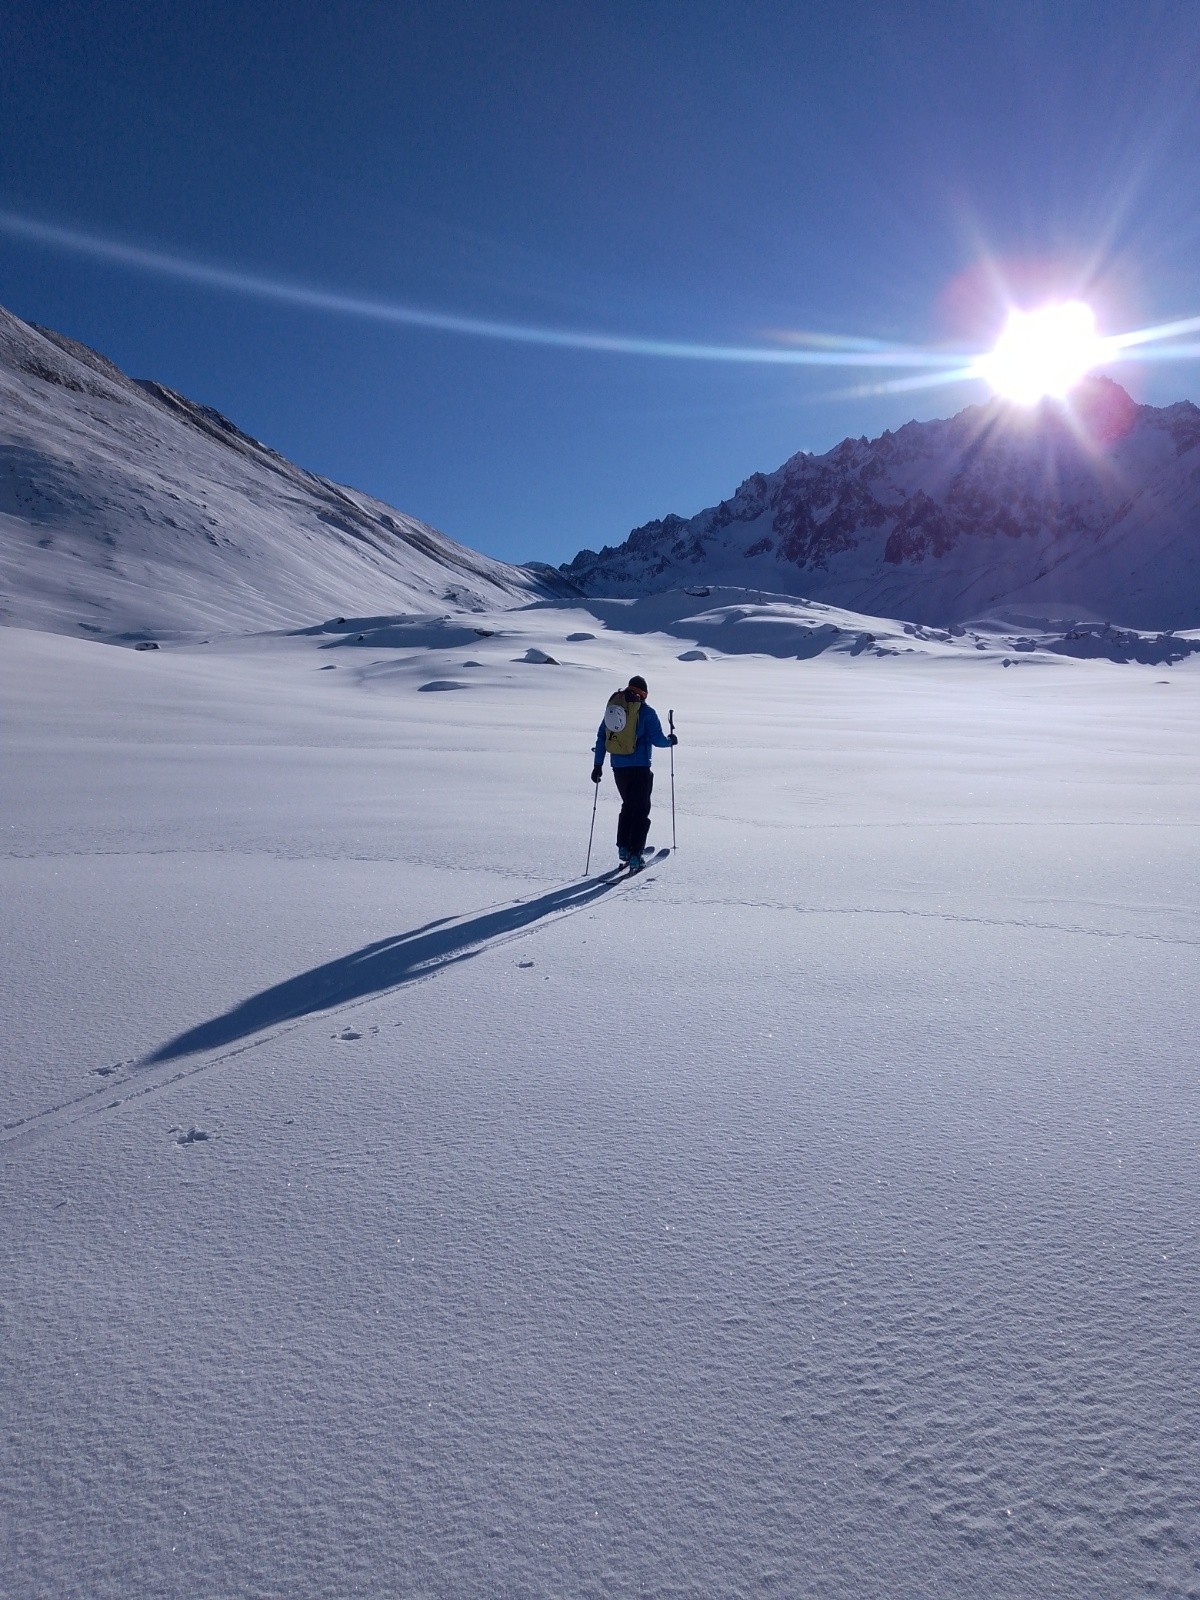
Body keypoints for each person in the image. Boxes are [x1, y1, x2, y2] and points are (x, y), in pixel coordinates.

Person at [591, 674, 677, 869]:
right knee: (641, 810)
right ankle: (636, 854)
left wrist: (598, 766)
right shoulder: (646, 712)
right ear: (644, 693)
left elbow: (601, 737)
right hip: (640, 769)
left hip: (618, 769)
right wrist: (671, 741)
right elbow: (658, 740)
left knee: (628, 806)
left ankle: (623, 847)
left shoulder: (614, 709)